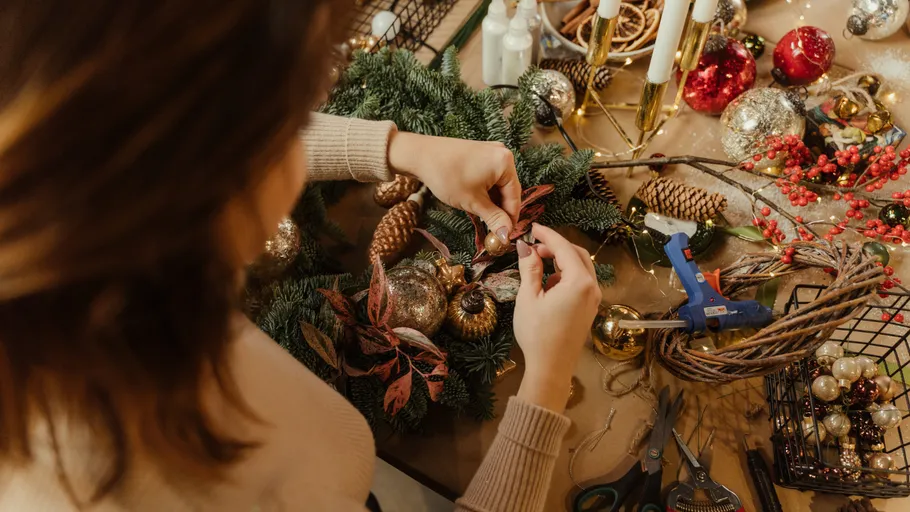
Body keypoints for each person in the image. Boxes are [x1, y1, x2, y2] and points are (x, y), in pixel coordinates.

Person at [0, 2, 602, 511]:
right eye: (290, 117)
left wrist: (402, 148)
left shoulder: (89, 278)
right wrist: (544, 385)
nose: (301, 131)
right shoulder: (169, 483)